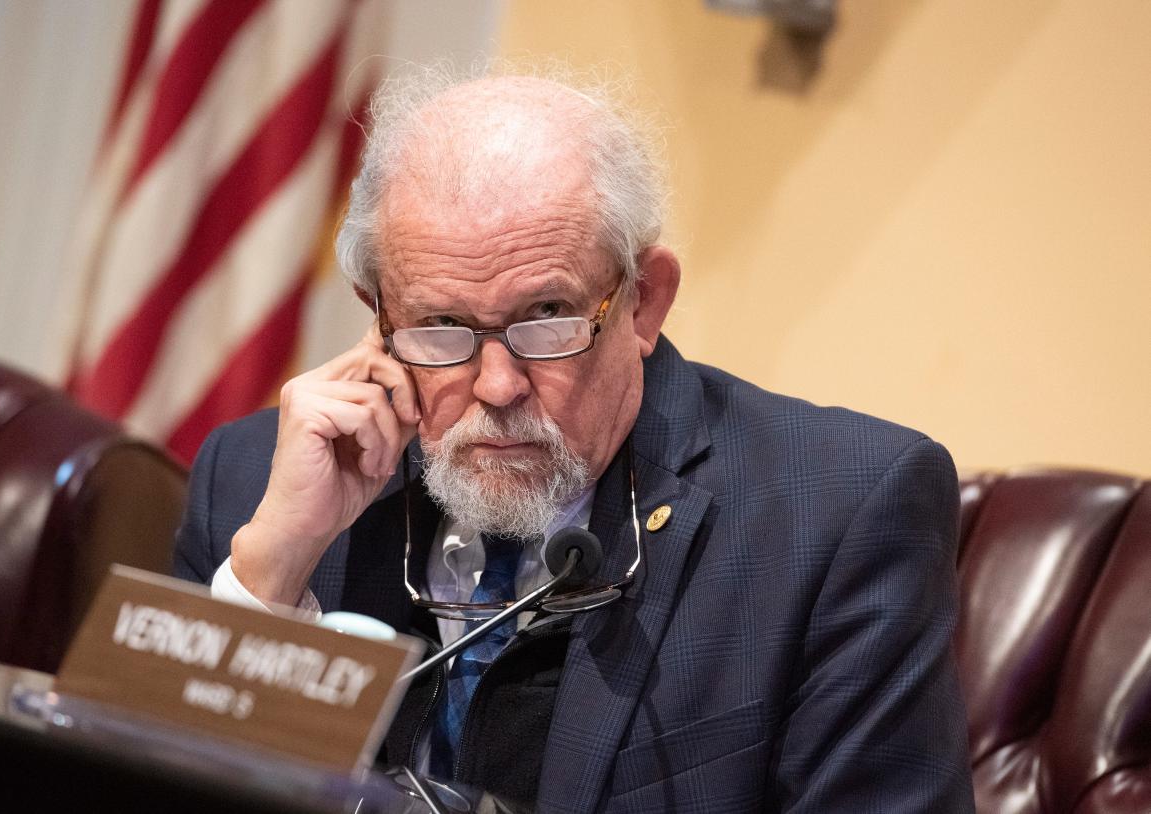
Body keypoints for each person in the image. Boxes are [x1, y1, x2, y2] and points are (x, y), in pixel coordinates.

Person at [174, 68, 974, 812]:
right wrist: (272, 575)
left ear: (644, 301)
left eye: (547, 317)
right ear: (378, 316)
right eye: (441, 326)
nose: (497, 386)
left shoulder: (834, 517)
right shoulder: (260, 484)